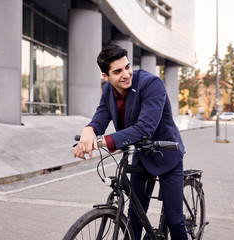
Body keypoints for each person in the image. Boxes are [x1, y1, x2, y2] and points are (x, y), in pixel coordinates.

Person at [73, 44, 187, 239]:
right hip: (142, 156)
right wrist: (88, 130)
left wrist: (99, 142)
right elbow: (101, 117)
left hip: (166, 153)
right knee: (134, 218)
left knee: (174, 220)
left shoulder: (152, 84)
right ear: (105, 76)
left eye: (127, 67)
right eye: (117, 71)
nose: (126, 74)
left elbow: (145, 128)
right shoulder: (108, 90)